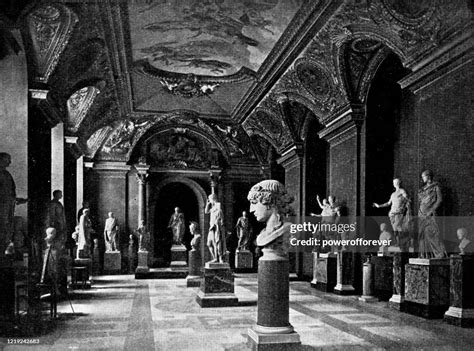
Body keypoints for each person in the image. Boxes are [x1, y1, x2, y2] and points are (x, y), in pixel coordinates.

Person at [247, 179, 294, 257]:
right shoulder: (262, 235)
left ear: (269, 201)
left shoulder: (287, 228)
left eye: (254, 203)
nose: (251, 210)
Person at [0, 152, 27, 256]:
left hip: (8, 208)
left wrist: (16, 199)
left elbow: (9, 192)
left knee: (6, 231)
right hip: (2, 208)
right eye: (8, 160)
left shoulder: (6, 174)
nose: (10, 162)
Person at [373, 178, 411, 250]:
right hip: (392, 213)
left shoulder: (402, 191)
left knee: (397, 227)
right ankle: (398, 242)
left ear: (399, 182)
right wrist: (379, 206)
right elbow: (388, 203)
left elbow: (407, 198)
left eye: (396, 182)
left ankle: (403, 241)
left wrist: (405, 202)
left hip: (399, 212)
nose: (395, 183)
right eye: (394, 182)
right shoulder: (393, 194)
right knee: (395, 229)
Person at [417, 170, 447, 259]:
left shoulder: (435, 187)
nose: (422, 179)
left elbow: (439, 200)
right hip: (421, 214)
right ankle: (425, 255)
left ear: (428, 176)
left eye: (423, 176)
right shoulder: (423, 189)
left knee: (432, 232)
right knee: (422, 235)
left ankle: (439, 253)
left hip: (430, 213)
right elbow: (421, 202)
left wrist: (431, 211)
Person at [205, 193, 226, 263]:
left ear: (213, 199)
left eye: (210, 200)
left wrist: (217, 224)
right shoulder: (213, 208)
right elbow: (206, 211)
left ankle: (219, 258)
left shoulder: (218, 208)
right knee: (209, 244)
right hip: (211, 228)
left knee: (217, 243)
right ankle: (215, 257)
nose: (209, 201)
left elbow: (222, 220)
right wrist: (208, 204)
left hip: (216, 228)